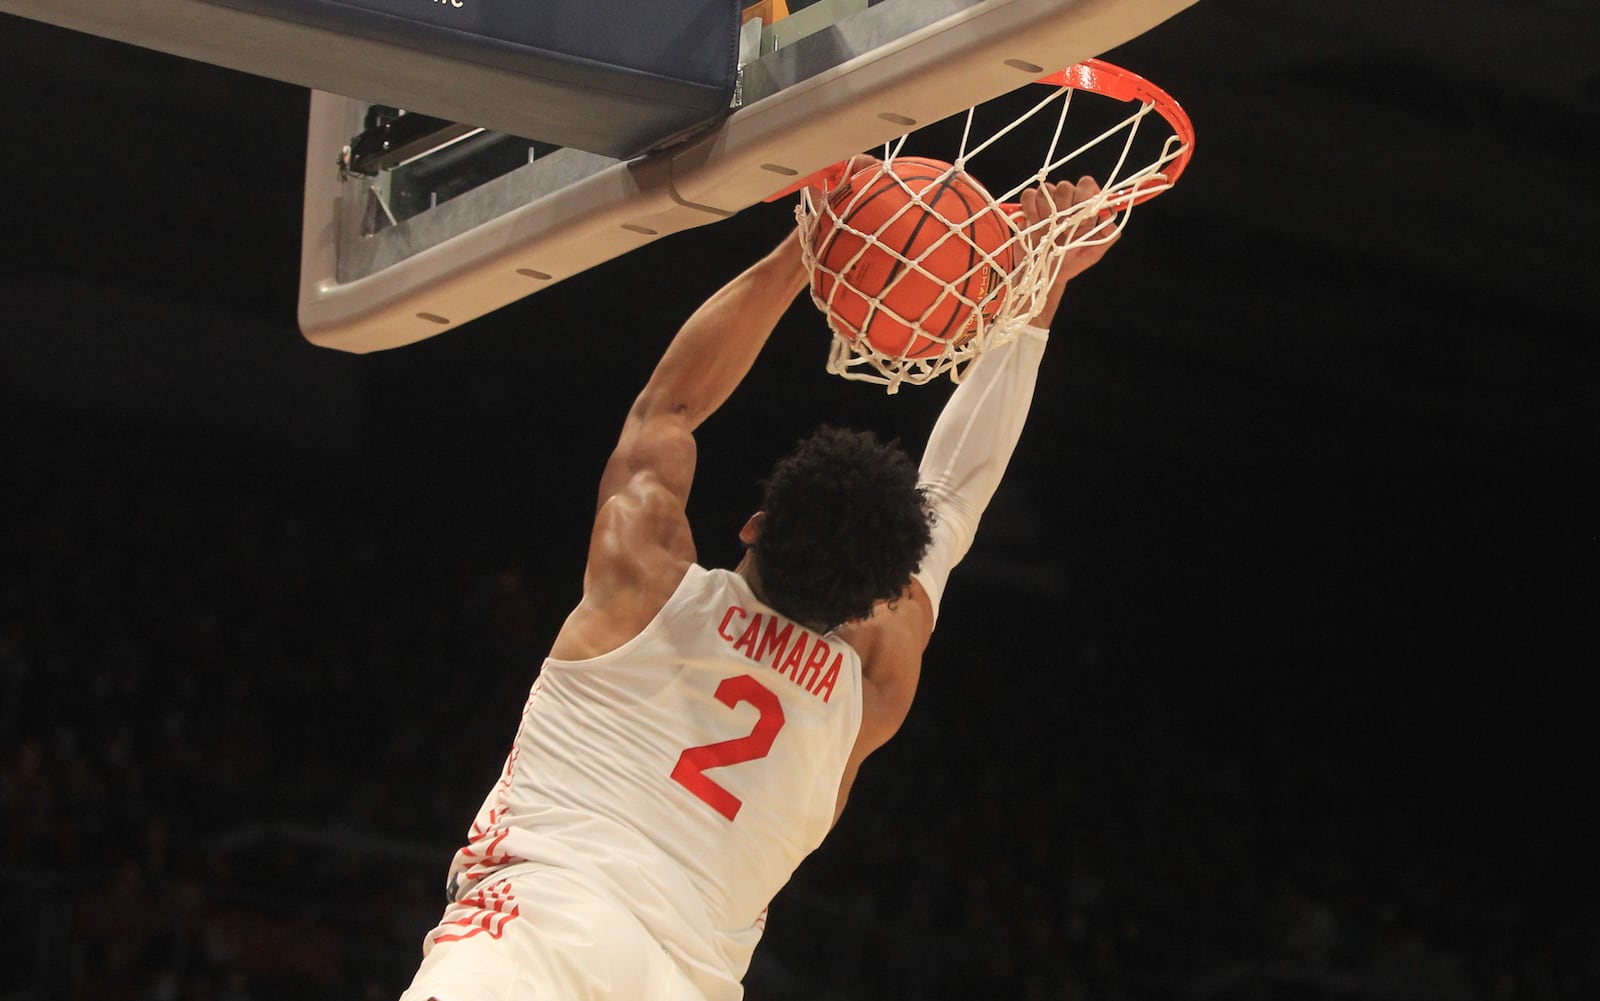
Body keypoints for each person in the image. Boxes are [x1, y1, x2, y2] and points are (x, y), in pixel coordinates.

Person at [399, 171, 1119, 1001]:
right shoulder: (872, 685)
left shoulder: (643, 581)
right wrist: (1043, 284)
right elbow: (953, 502)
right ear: (874, 597)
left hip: (537, 933)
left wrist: (806, 249)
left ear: (752, 523)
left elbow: (666, 410)